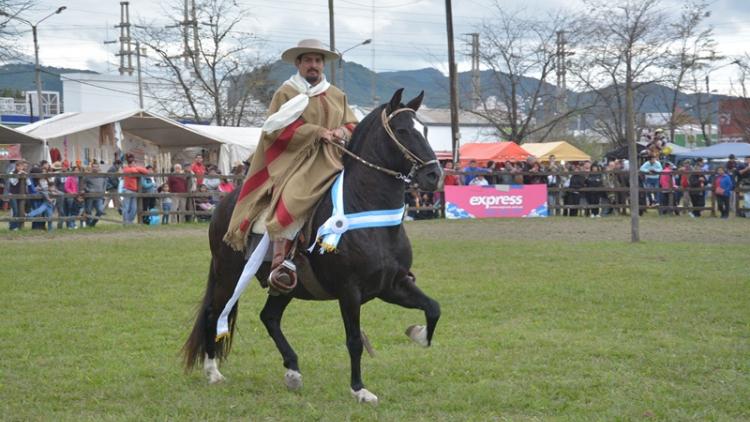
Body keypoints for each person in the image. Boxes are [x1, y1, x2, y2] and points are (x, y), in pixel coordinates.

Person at [223, 38, 358, 292]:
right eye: (308, 60)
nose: (314, 65)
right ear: (298, 63)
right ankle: (280, 264)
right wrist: (316, 131)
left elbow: (353, 124)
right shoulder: (286, 92)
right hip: (297, 160)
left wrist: (342, 130)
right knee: (295, 194)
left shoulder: (337, 95)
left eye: (318, 61)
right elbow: (276, 129)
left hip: (334, 157)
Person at [121, 153, 150, 225]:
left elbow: (146, 171)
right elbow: (132, 171)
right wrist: (136, 169)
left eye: (134, 163)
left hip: (134, 190)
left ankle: (129, 221)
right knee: (126, 207)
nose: (134, 164)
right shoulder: (126, 169)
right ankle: (126, 222)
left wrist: (136, 168)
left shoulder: (134, 168)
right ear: (129, 163)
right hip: (127, 190)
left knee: (134, 208)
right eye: (132, 163)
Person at [82, 161, 108, 227]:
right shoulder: (87, 176)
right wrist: (89, 190)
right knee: (88, 211)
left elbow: (105, 184)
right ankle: (88, 224)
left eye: (96, 167)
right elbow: (83, 185)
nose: (95, 168)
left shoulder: (102, 176)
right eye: (93, 167)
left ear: (98, 167)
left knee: (100, 211)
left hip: (99, 196)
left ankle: (93, 223)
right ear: (91, 167)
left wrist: (103, 191)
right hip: (90, 196)